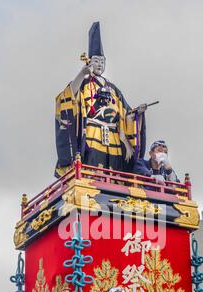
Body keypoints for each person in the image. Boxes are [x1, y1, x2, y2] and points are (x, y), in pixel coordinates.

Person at [54, 22, 146, 177]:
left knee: (115, 169)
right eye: (96, 61)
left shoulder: (113, 89)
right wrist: (81, 75)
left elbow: (125, 113)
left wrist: (136, 113)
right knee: (92, 165)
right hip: (93, 132)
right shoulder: (84, 83)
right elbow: (67, 97)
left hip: (114, 135)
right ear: (89, 61)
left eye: (102, 62)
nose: (99, 65)